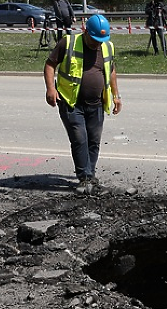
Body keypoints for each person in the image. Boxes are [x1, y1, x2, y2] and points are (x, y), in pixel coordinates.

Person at [43, 14, 122, 194]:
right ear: (85, 31)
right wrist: (50, 89)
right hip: (71, 102)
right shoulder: (68, 43)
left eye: (101, 40)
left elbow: (111, 71)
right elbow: (49, 65)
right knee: (80, 139)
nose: (97, 44)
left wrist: (116, 96)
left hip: (97, 104)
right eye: (94, 39)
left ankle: (90, 175)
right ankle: (84, 177)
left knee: (94, 141)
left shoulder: (107, 47)